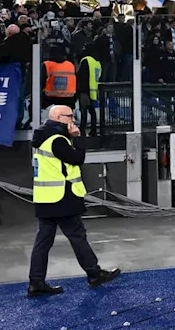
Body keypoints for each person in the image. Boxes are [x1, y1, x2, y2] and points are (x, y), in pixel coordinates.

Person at [27, 105, 120, 297]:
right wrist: (77, 137)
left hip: (46, 198)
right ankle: (94, 273)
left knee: (43, 241)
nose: (74, 119)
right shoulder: (57, 140)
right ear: (59, 118)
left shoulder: (42, 138)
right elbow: (77, 158)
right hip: (62, 197)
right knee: (77, 236)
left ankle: (36, 282)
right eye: (70, 116)